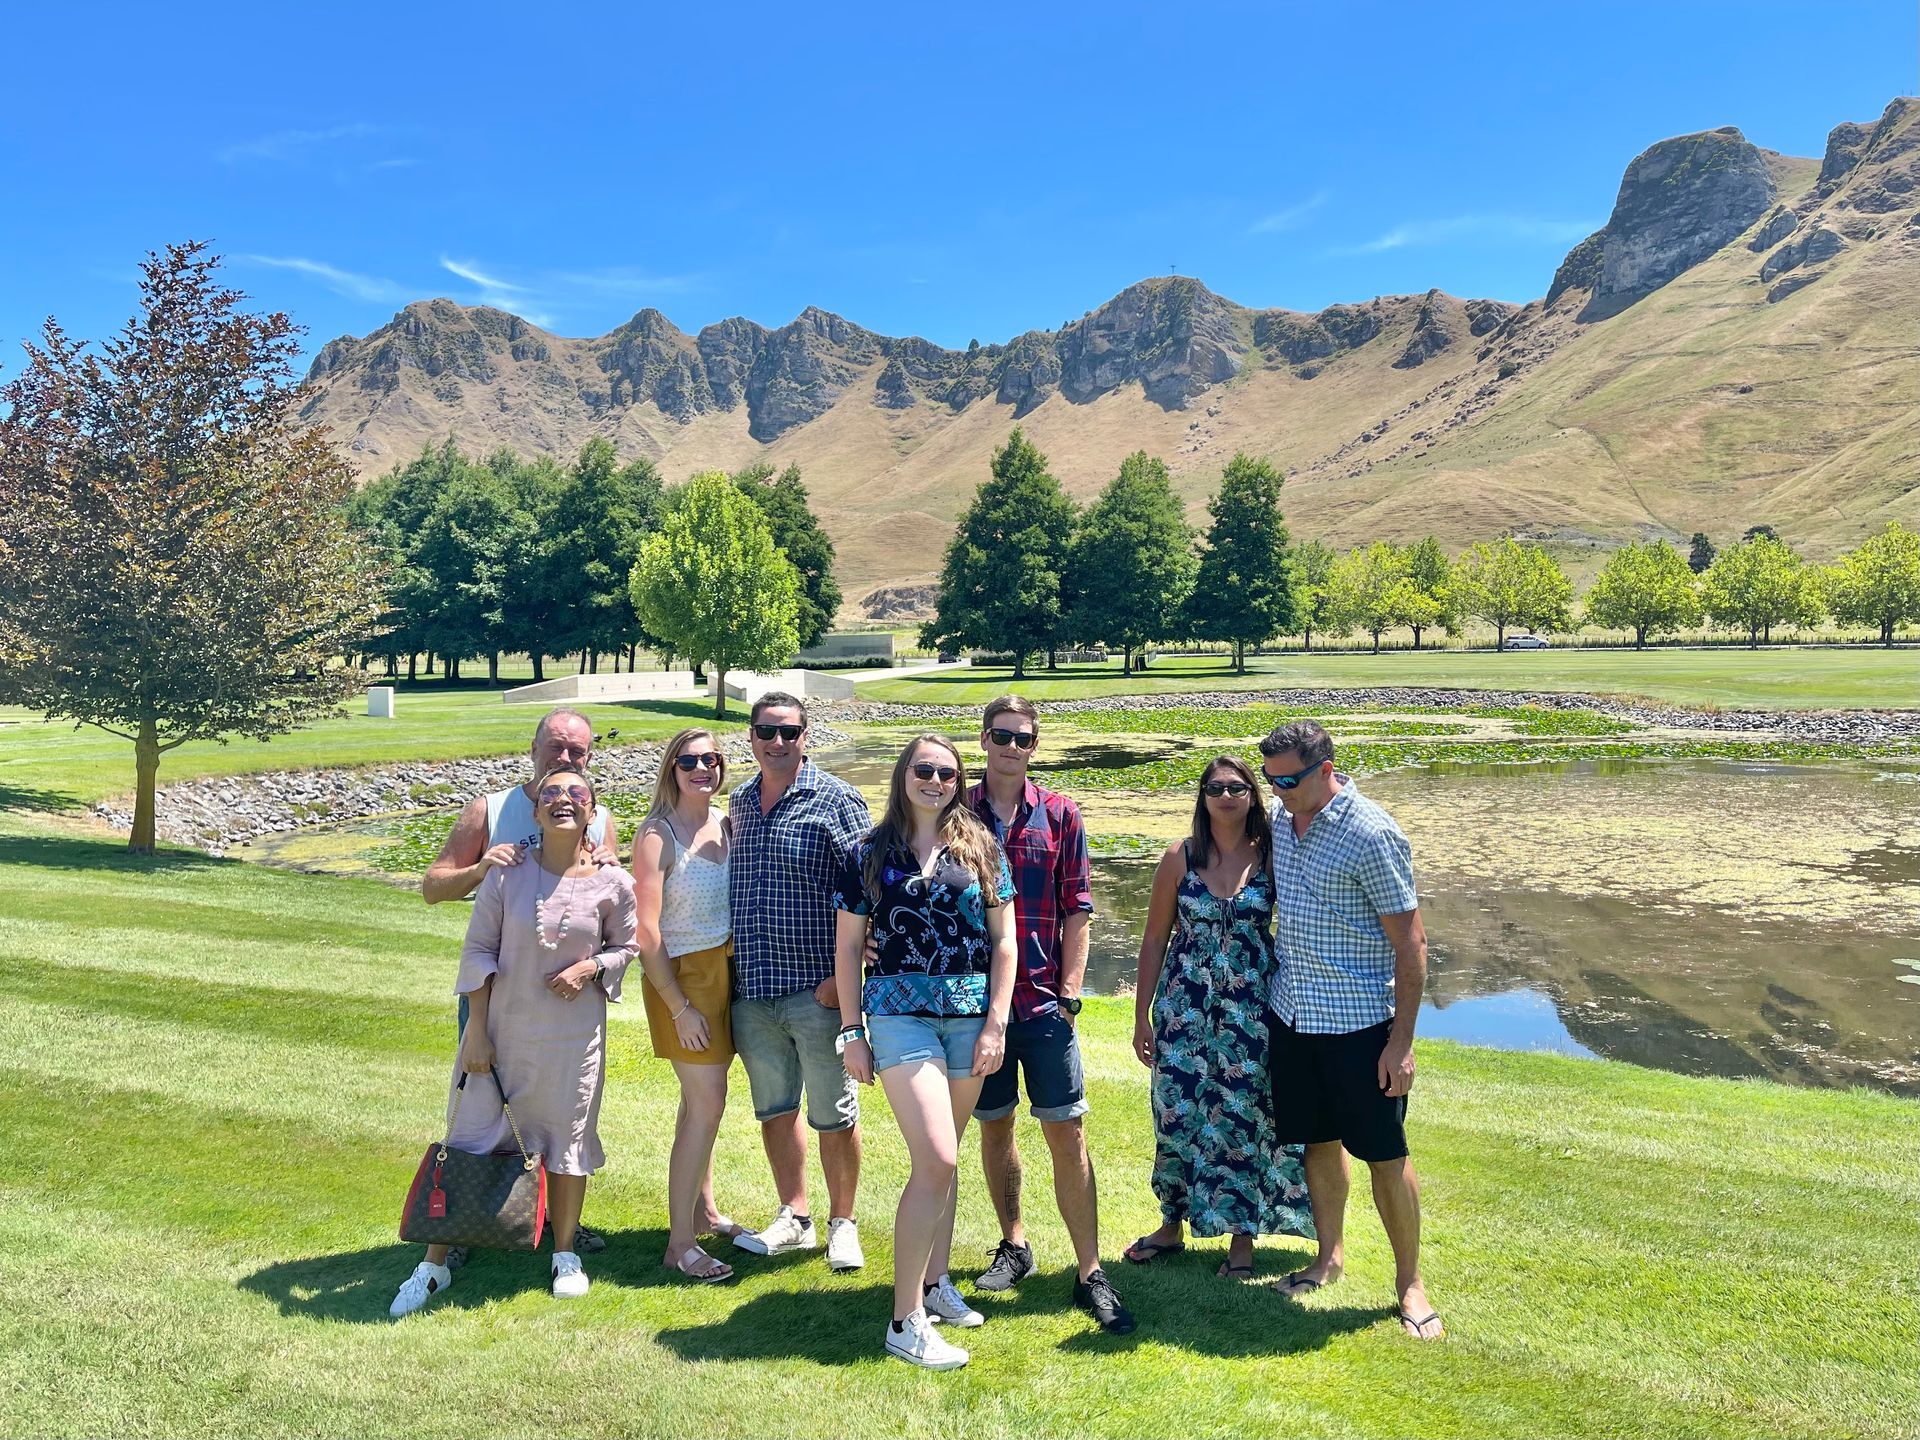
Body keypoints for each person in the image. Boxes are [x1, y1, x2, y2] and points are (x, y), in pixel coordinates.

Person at [391, 766, 638, 1316]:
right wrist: (476, 1031)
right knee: (473, 1134)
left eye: (576, 793)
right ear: (535, 811)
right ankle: (432, 1264)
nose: (563, 801)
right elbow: (478, 951)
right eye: (551, 794)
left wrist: (591, 967)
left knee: (567, 1135)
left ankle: (566, 1254)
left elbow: (628, 946)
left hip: (573, 1038)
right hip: (502, 1031)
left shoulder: (614, 882)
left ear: (592, 811)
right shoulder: (506, 874)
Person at [834, 735, 1014, 1370]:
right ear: (903, 775)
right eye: (923, 769)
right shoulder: (868, 851)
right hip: (897, 1017)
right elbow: (850, 946)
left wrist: (995, 1023)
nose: (935, 780)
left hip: (969, 1022)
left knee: (948, 1156)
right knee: (936, 1156)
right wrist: (852, 1032)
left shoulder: (982, 848)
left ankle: (936, 1284)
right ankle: (904, 1319)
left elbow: (1005, 943)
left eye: (946, 772)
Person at [1259, 720, 1443, 1340]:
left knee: (1386, 1156)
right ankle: (1328, 1256)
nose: (1278, 791)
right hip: (1294, 1016)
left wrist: (1401, 1042)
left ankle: (1409, 1284)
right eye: (1271, 779)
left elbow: (1412, 945)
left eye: (1289, 779)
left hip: (1361, 1024)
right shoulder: (1284, 823)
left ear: (1326, 766)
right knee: (1316, 1142)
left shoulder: (1372, 832)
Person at [962, 695, 1134, 1333]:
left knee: (1068, 1132)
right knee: (995, 1127)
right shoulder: (956, 814)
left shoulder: (1060, 815)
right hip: (974, 1009)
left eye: (1024, 738)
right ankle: (1015, 1243)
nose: (1012, 746)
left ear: (1035, 745)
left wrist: (1070, 990)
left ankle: (1090, 1270)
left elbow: (1077, 907)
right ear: (984, 739)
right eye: (1002, 735)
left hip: (1041, 1005)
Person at [421, 707, 620, 1258]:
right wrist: (479, 870)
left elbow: (609, 909)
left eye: (576, 751)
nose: (564, 757)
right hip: (496, 995)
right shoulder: (490, 810)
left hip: (565, 1006)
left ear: (589, 757)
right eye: (555, 746)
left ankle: (559, 1225)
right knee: (482, 1111)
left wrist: (607, 861)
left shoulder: (597, 818)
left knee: (561, 1111)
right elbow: (433, 887)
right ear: (532, 749)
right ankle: (464, 1224)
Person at [1128, 755, 1314, 1279]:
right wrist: (1143, 1016)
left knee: (1242, 1117)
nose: (1227, 796)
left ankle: (1241, 1237)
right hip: (1183, 1010)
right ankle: (1172, 1224)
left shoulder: (1274, 857)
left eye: (1237, 787)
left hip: (1251, 1013)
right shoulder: (1180, 857)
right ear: (1202, 797)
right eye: (1216, 787)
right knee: (1176, 1114)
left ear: (1254, 796)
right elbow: (1153, 939)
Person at [728, 692, 871, 1270]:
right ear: (752, 736)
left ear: (806, 735)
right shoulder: (738, 801)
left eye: (788, 731)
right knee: (775, 1109)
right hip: (752, 993)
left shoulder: (837, 801)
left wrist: (847, 979)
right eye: (766, 731)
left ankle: (843, 1222)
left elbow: (872, 892)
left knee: (834, 1113)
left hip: (817, 990)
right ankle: (796, 1216)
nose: (777, 741)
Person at [631, 727, 739, 1283]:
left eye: (712, 760)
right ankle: (679, 1245)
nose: (702, 769)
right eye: (690, 761)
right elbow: (646, 933)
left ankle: (704, 1210)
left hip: (728, 969)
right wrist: (678, 1006)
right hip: (684, 981)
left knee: (698, 1104)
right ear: (672, 768)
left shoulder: (729, 822)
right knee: (707, 1103)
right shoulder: (656, 835)